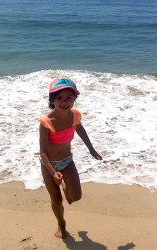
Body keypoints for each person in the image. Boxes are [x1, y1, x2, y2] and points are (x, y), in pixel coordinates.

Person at [39, 78, 102, 239]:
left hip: (67, 161)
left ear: (74, 100)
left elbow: (80, 129)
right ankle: (61, 225)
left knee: (75, 197)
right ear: (52, 100)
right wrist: (53, 172)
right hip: (49, 165)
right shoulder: (46, 122)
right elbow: (43, 153)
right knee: (57, 199)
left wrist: (91, 149)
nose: (64, 102)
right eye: (59, 98)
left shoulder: (74, 116)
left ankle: (66, 187)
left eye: (69, 98)